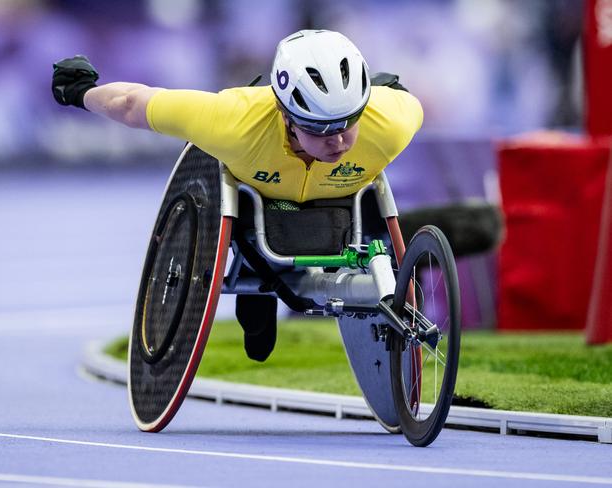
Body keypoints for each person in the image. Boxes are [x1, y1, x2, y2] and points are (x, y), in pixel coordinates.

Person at [52, 29, 423, 362]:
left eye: (347, 123)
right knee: (257, 332)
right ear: (287, 115)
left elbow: (401, 102)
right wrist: (82, 92)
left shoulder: (392, 122)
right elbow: (134, 103)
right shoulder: (234, 121)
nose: (338, 140)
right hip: (259, 210)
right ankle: (257, 280)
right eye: (320, 129)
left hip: (342, 206)